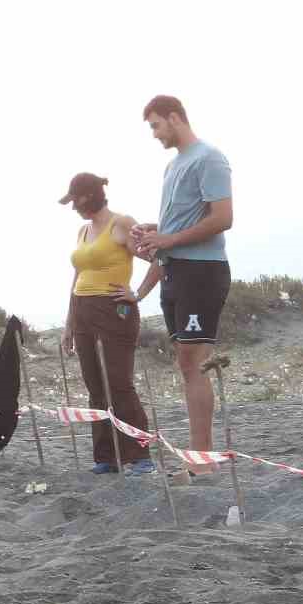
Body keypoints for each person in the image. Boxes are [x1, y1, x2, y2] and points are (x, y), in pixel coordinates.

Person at [127, 95, 234, 471]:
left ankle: (203, 458)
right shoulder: (173, 166)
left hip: (202, 272)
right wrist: (154, 231)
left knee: (195, 362)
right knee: (186, 365)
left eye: (156, 125)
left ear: (175, 118)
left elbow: (223, 218)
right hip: (174, 271)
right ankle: (199, 455)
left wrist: (167, 239)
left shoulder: (210, 158)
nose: (154, 134)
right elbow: (177, 226)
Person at [58, 173, 156, 475]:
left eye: (76, 200)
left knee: (119, 383)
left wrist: (137, 293)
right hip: (83, 309)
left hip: (114, 310)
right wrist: (69, 322)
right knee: (95, 386)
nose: (74, 207)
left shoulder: (122, 223)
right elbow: (78, 277)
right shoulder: (82, 231)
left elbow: (159, 256)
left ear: (89, 196)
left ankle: (140, 456)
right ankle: (107, 457)